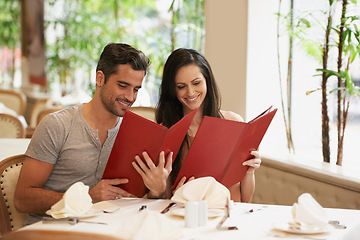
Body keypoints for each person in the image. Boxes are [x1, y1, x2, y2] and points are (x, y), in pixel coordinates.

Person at [14, 43, 172, 224]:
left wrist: (156, 191)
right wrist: (86, 197)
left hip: (106, 229)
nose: (130, 97)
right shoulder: (57, 125)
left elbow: (140, 202)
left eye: (136, 89)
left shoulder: (133, 134)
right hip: (54, 231)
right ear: (100, 78)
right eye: (123, 86)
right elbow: (22, 199)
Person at [156, 48, 261, 202]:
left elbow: (246, 199)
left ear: (207, 80)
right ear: (172, 90)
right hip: (188, 219)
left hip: (230, 218)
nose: (190, 92)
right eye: (181, 86)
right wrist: (177, 195)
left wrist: (250, 172)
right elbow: (165, 200)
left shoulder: (234, 123)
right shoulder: (167, 133)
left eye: (196, 83)